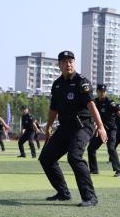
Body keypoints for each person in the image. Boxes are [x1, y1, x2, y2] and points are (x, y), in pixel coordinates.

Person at [39, 50, 107, 207]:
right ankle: (63, 193)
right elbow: (53, 109)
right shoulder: (57, 85)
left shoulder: (81, 82)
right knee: (46, 158)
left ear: (74, 63)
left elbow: (91, 105)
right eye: (65, 61)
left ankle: (90, 197)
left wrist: (101, 126)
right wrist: (49, 126)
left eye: (71, 61)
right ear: (59, 65)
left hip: (83, 126)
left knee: (74, 156)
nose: (68, 64)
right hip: (65, 127)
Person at [87, 84, 120, 177]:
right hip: (101, 130)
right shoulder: (95, 102)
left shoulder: (110, 102)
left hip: (111, 130)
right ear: (97, 92)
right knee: (91, 148)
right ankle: (94, 170)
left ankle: (118, 171)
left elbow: (118, 112)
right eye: (100, 92)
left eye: (104, 92)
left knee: (111, 149)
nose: (102, 93)